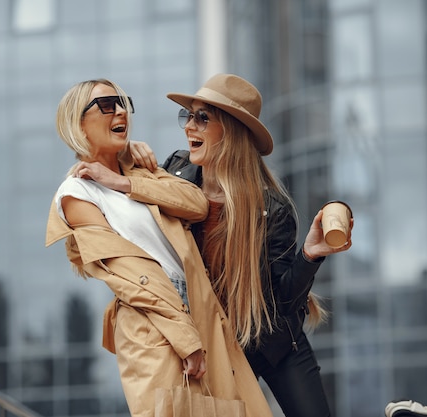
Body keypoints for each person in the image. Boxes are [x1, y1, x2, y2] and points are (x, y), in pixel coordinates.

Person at [44, 78, 273, 417]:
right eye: (107, 105)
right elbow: (132, 274)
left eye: (123, 102)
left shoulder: (141, 173)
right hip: (152, 321)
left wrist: (125, 181)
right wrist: (185, 338)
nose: (121, 110)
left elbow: (196, 203)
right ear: (78, 123)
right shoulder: (75, 194)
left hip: (199, 310)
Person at [130, 73, 354, 417]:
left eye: (203, 118)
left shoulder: (273, 211)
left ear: (231, 131)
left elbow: (279, 304)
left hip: (273, 341)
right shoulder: (174, 172)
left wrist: (309, 256)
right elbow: (131, 208)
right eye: (188, 116)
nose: (190, 126)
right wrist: (128, 157)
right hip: (215, 343)